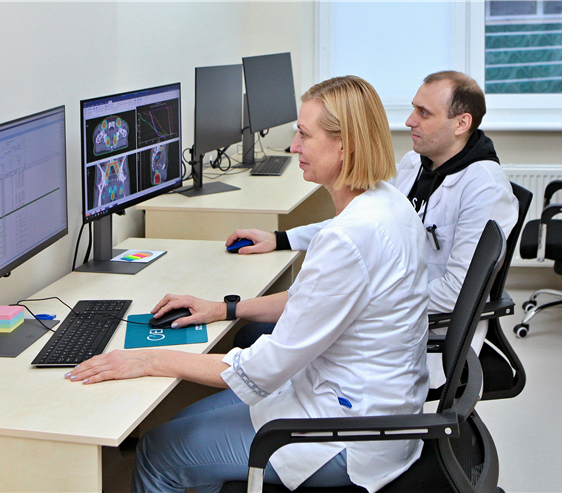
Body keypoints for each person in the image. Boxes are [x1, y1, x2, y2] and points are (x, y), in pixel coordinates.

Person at [66, 76, 430, 493]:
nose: (293, 146)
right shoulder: (389, 201)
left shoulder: (349, 238)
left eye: (304, 134)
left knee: (157, 451)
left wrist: (150, 360)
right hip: (374, 407)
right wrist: (225, 309)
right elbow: (307, 300)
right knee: (179, 422)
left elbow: (263, 370)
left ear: (344, 145)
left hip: (346, 435)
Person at [227, 70, 518, 389]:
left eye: (424, 113)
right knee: (253, 336)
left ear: (461, 123)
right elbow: (365, 225)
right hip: (383, 314)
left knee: (258, 343)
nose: (409, 121)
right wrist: (281, 238)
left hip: (419, 336)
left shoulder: (485, 189)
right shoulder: (416, 164)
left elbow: (458, 294)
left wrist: (373, 302)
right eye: (413, 108)